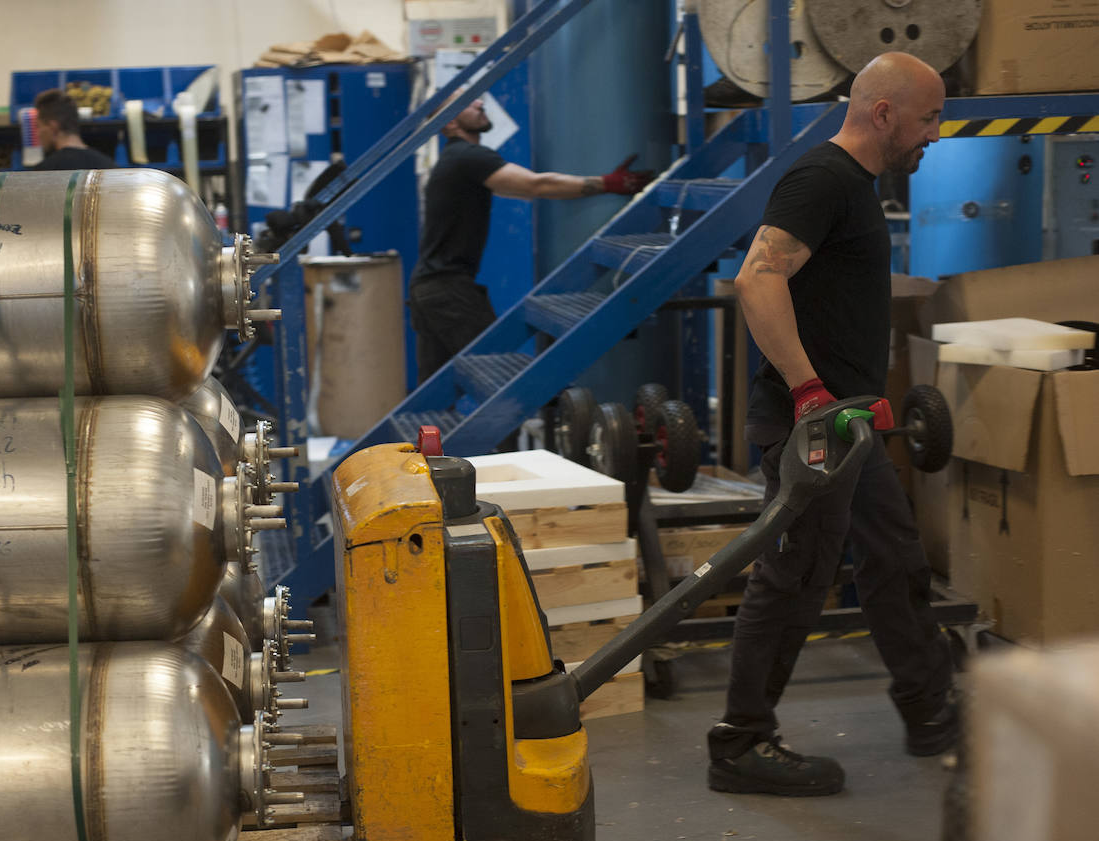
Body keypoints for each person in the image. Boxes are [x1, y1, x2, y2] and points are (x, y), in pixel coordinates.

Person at [707, 51, 957, 798]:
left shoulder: (857, 186)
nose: (934, 135)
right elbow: (758, 279)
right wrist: (810, 391)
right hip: (812, 425)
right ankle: (740, 743)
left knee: (895, 555)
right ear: (884, 114)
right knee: (795, 580)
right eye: (929, 118)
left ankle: (930, 709)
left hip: (846, 423)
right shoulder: (822, 179)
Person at [407, 95, 652, 383]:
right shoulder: (467, 156)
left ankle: (430, 432)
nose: (480, 104)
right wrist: (608, 184)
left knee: (434, 393)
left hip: (428, 289)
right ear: (449, 121)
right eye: (468, 102)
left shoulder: (458, 159)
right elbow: (537, 185)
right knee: (501, 379)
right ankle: (503, 431)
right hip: (448, 291)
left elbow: (517, 189)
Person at [32, 89, 116, 171]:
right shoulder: (109, 166)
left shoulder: (43, 172)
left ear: (53, 127)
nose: (37, 134)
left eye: (38, 126)